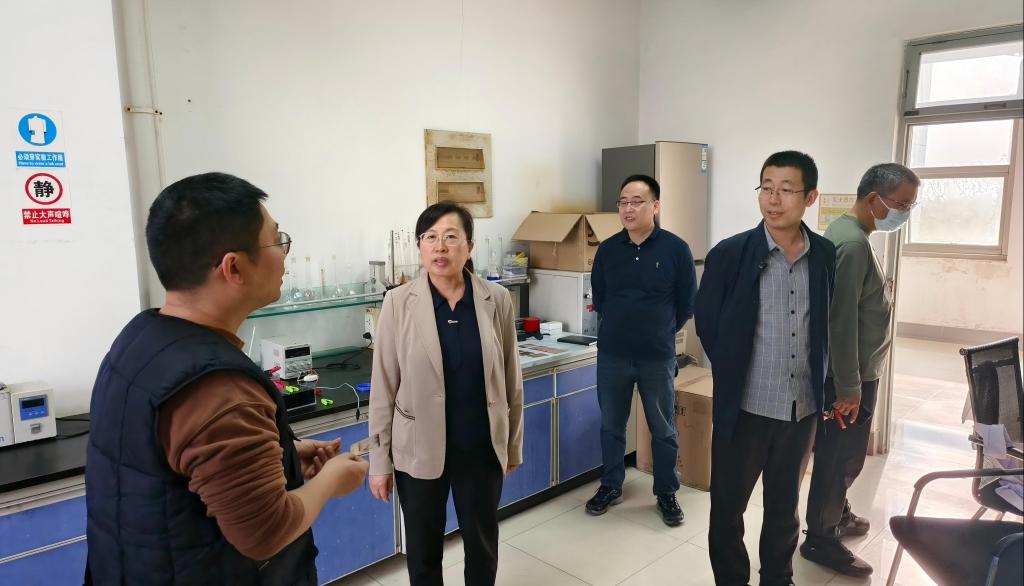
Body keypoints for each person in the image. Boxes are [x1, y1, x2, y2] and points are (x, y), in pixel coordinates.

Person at [85, 172, 369, 585]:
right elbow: (266, 532)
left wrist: (283, 456)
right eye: (276, 240)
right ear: (233, 267)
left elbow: (172, 465)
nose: (285, 255)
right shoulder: (220, 390)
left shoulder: (139, 339)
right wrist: (330, 481)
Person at [695, 151, 836, 586]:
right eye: (767, 188)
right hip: (745, 410)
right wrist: (735, 371)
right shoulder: (730, 254)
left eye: (786, 190)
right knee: (727, 510)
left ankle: (779, 578)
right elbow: (708, 324)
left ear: (809, 197)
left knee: (784, 509)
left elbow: (826, 324)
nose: (774, 200)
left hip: (801, 410)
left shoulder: (825, 254)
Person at [368, 202, 524, 586]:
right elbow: (383, 386)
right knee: (423, 553)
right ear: (420, 246)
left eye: (451, 237)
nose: (440, 247)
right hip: (418, 449)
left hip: (480, 448)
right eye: (430, 237)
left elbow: (510, 377)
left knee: (482, 547)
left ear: (469, 247)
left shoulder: (496, 299)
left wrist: (512, 444)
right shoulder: (397, 303)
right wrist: (379, 462)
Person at [801, 163, 920, 577]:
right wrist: (849, 387)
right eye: (902, 204)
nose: (904, 213)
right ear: (874, 199)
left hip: (856, 372)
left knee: (842, 454)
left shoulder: (851, 233)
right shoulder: (852, 245)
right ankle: (821, 537)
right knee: (841, 457)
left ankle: (838, 512)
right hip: (849, 378)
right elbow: (840, 321)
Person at [584, 174, 697, 526]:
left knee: (663, 428)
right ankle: (611, 485)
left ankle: (666, 492)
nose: (628, 209)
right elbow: (601, 297)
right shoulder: (607, 249)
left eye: (637, 201)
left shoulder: (676, 249)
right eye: (623, 202)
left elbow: (686, 305)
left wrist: (658, 331)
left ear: (655, 206)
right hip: (613, 354)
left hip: (656, 356)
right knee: (611, 425)